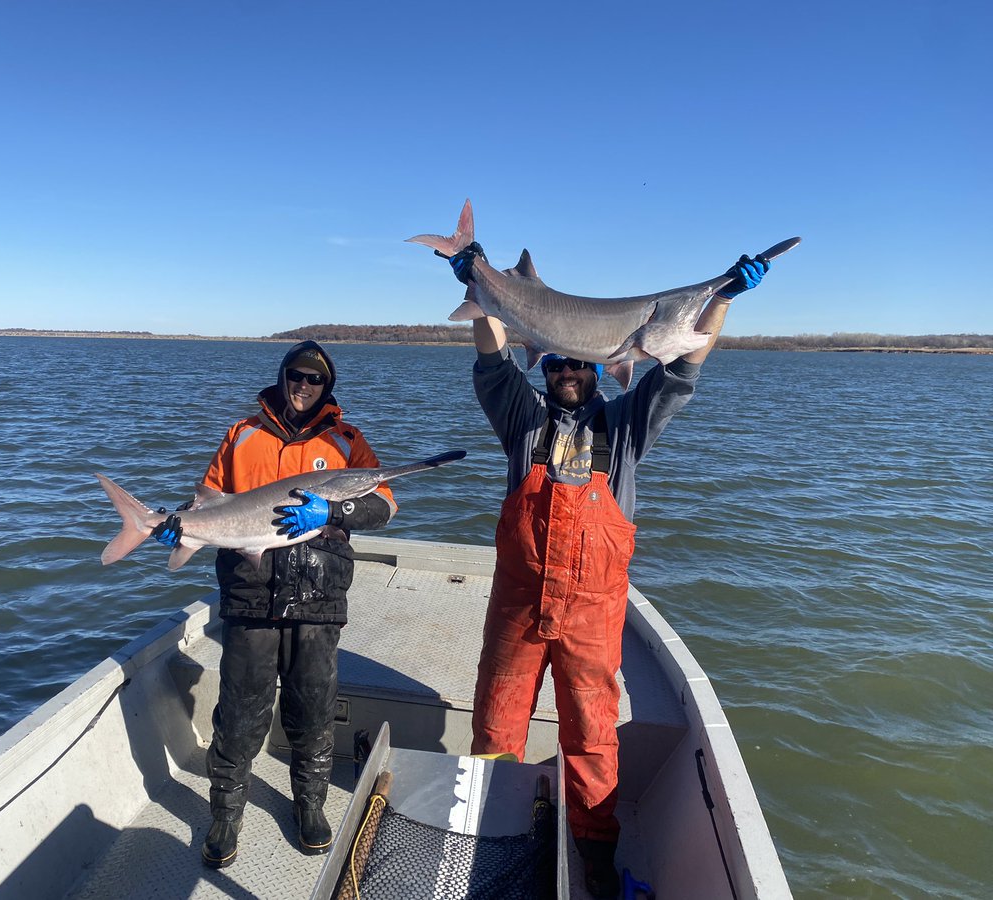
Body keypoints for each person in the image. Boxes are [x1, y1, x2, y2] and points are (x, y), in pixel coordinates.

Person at [446, 243, 767, 898]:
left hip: (591, 622)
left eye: (579, 364)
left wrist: (723, 298)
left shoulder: (624, 430)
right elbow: (489, 357)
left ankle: (593, 850)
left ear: (598, 372)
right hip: (517, 612)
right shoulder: (522, 422)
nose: (568, 370)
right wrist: (482, 293)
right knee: (495, 724)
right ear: (545, 365)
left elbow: (682, 371)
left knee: (593, 739)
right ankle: (491, 829)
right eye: (559, 361)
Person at [152, 340, 396, 869]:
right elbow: (208, 497)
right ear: (282, 378)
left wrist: (336, 511)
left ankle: (309, 803)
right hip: (249, 595)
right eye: (295, 375)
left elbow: (383, 504)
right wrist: (179, 526)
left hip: (319, 596)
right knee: (240, 712)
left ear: (326, 387)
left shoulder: (347, 442)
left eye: (314, 379)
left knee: (311, 709)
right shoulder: (242, 436)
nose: (303, 385)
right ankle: (226, 812)